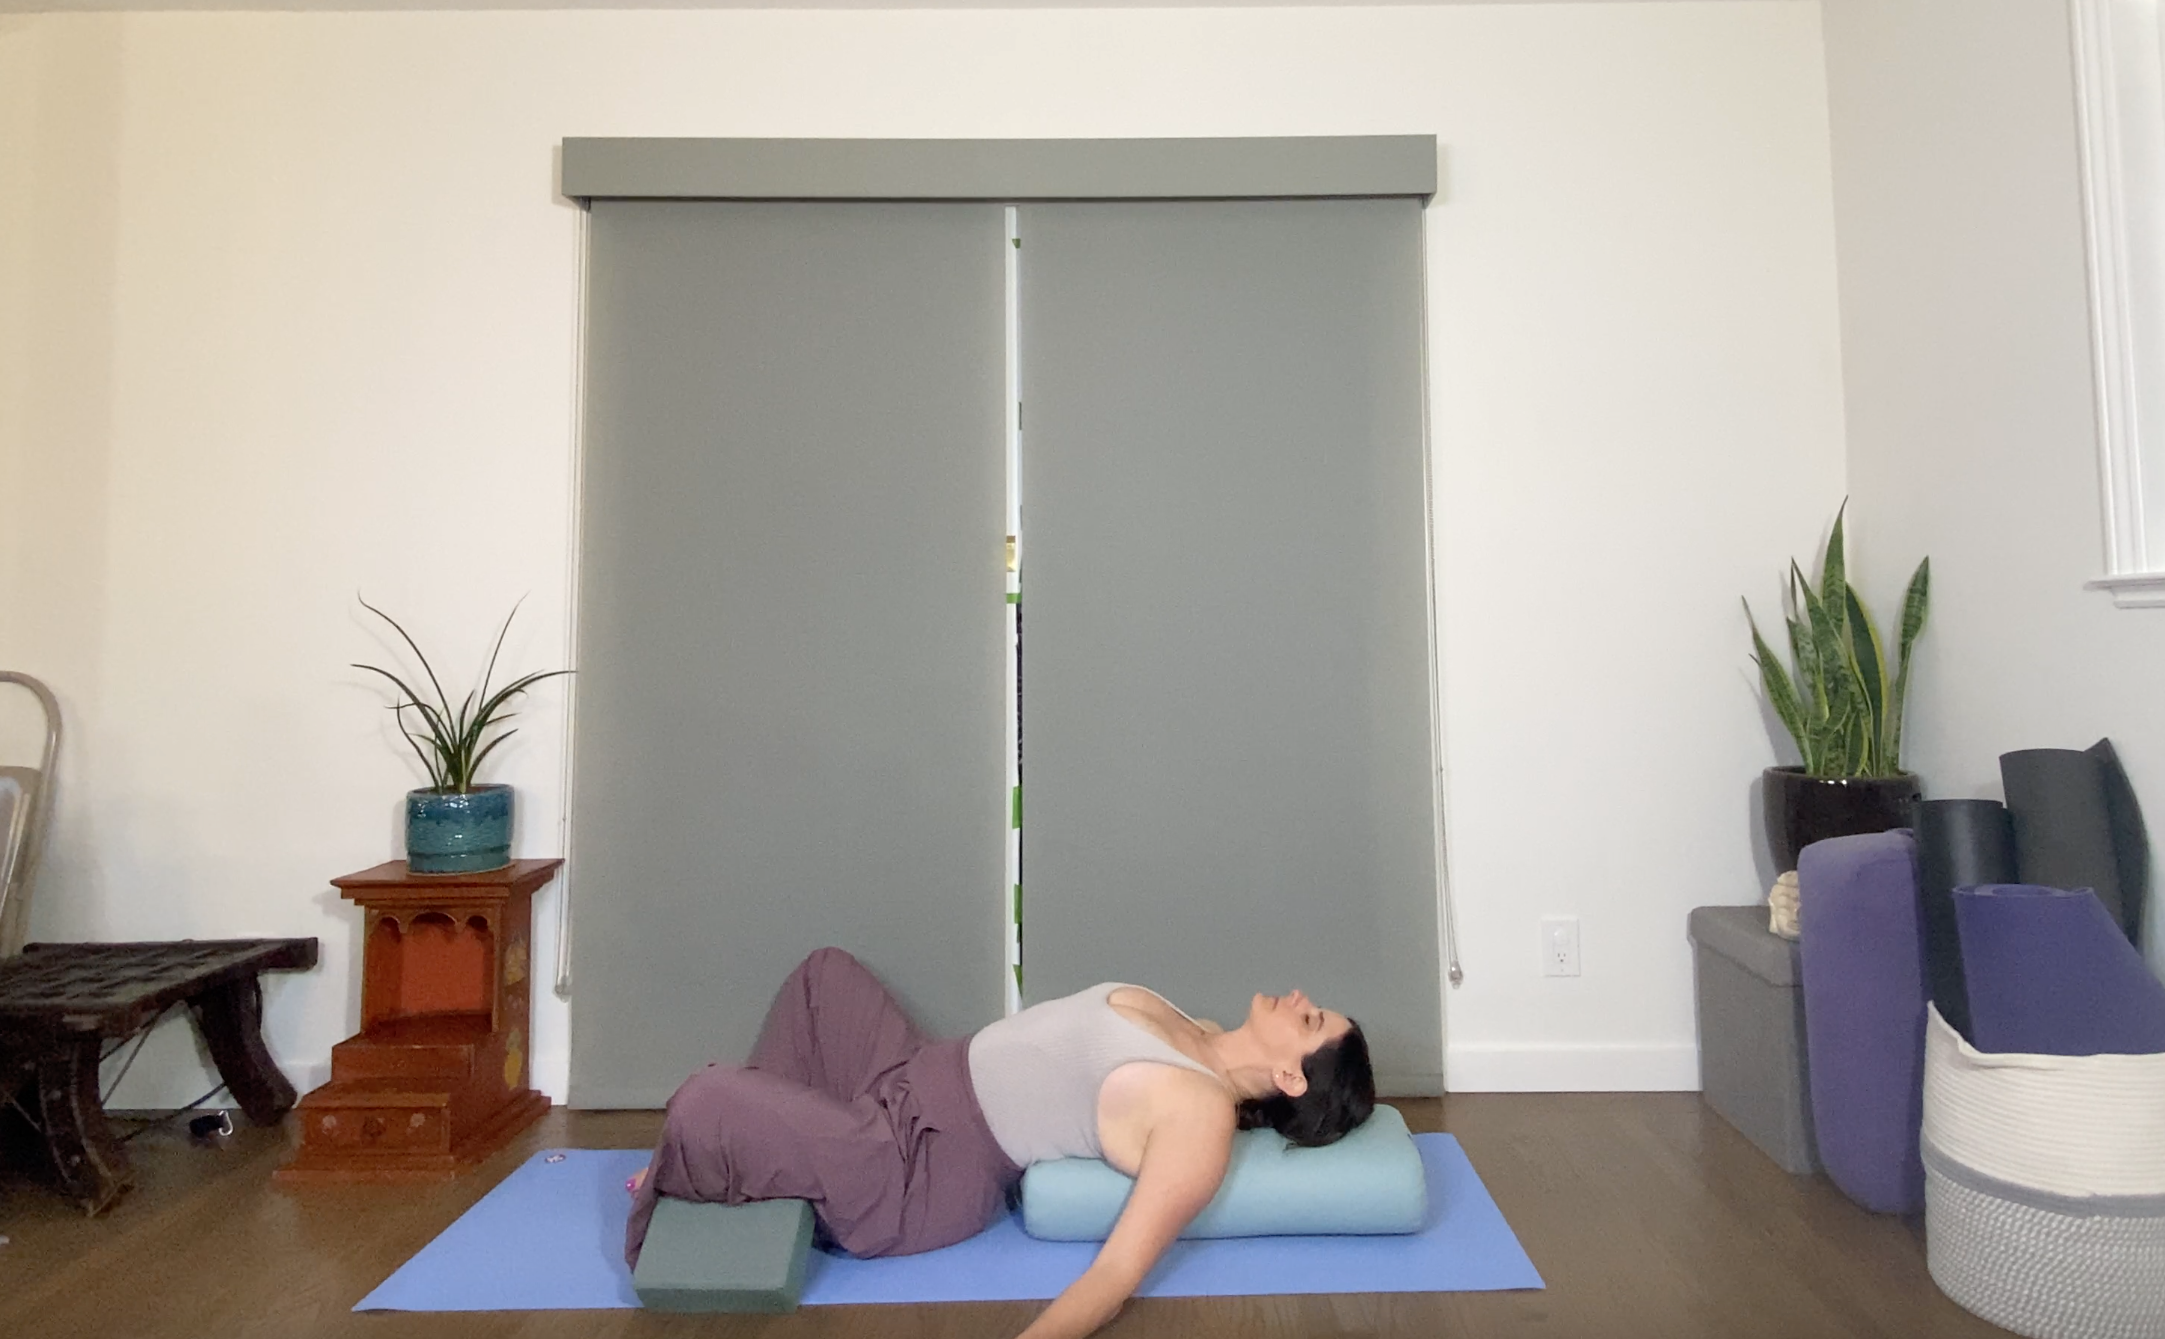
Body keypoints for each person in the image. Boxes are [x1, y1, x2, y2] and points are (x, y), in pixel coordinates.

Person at [625, 946, 1374, 1339]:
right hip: (910, 1075)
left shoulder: (1199, 1117)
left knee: (706, 1097)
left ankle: (732, 1150)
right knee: (825, 975)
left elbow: (1117, 1272)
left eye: (1310, 1021)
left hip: (913, 1167)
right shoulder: (1200, 1032)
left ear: (1291, 1077)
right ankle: (777, 1144)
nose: (1300, 999)